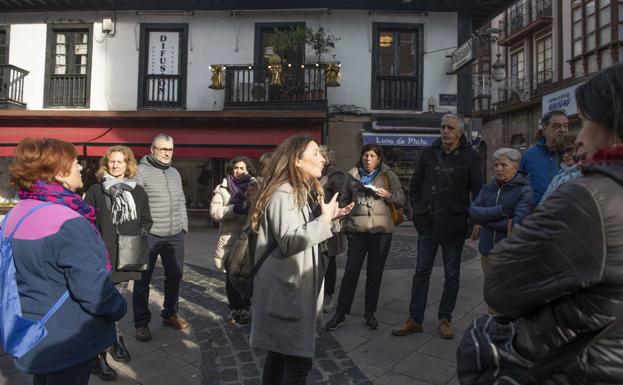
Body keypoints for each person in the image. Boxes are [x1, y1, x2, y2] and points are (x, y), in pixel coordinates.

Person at [484, 63, 623, 383]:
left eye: (584, 122)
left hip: (581, 363)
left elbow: (500, 283)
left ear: (611, 127)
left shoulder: (591, 198)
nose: (578, 139)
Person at [6, 138, 126, 385]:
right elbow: (93, 290)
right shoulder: (68, 221)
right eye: (75, 163)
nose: (81, 167)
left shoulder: (17, 212)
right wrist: (118, 307)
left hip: (31, 329)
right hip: (67, 336)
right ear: (60, 173)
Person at [249, 134, 353, 385]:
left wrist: (331, 220)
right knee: (297, 361)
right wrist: (324, 221)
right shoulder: (285, 192)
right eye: (315, 152)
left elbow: (302, 233)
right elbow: (289, 240)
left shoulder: (299, 190)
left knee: (280, 354)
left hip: (288, 291)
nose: (322, 158)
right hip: (287, 292)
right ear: (297, 159)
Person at [393, 114, 482, 339]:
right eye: (442, 127)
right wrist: (417, 209)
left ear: (460, 132)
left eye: (450, 128)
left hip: (454, 223)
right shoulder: (429, 153)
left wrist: (475, 220)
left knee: (452, 272)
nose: (444, 131)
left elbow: (478, 191)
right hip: (429, 223)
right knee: (421, 271)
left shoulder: (471, 156)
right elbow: (415, 184)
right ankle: (415, 319)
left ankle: (445, 318)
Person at [84, 146, 153, 380]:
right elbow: (87, 221)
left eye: (120, 162)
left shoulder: (138, 192)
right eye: (111, 161)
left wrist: (135, 237)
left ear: (128, 165)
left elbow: (147, 219)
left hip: (127, 259)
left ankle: (114, 340)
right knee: (104, 308)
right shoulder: (95, 190)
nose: (115, 165)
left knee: (114, 306)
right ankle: (100, 354)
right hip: (102, 259)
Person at [325, 144, 406, 331]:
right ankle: (341, 313)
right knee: (351, 272)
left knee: (374, 274)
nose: (368, 159)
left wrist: (388, 195)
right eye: (365, 155)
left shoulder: (388, 175)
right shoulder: (352, 175)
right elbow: (343, 200)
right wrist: (345, 222)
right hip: (357, 231)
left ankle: (370, 312)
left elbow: (401, 199)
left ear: (379, 159)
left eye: (372, 156)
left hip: (381, 233)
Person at [133, 133, 188, 342]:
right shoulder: (140, 172)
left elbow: (181, 200)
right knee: (142, 281)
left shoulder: (175, 173)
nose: (167, 153)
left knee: (175, 276)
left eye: (170, 149)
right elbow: (135, 205)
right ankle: (141, 323)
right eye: (162, 148)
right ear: (152, 149)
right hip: (150, 236)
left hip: (175, 234)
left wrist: (183, 227)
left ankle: (170, 313)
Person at [468, 148, 533, 272]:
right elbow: (473, 211)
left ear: (515, 167)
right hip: (486, 251)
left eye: (503, 165)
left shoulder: (524, 190)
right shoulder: (488, 187)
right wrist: (500, 211)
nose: (498, 168)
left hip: (508, 252)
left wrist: (484, 221)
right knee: (488, 287)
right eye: (496, 165)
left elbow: (515, 224)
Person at [210, 156, 256, 324]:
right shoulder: (222, 188)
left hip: (248, 238)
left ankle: (245, 308)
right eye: (236, 168)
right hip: (229, 239)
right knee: (231, 276)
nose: (239, 171)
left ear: (248, 170)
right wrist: (233, 209)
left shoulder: (255, 186)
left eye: (242, 168)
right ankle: (234, 308)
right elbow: (214, 213)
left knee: (247, 275)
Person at [318, 145, 346, 313]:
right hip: (315, 222)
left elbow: (342, 199)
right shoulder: (317, 174)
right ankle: (318, 293)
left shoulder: (335, 176)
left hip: (329, 225)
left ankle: (329, 295)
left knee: (328, 260)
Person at [520, 110, 569, 205]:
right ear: (545, 128)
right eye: (557, 126)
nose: (562, 130)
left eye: (565, 126)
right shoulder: (529, 155)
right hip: (535, 214)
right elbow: (519, 187)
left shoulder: (575, 155)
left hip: (564, 214)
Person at [539, 135, 582, 204]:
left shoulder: (583, 173)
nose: (566, 155)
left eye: (569, 150)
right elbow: (544, 201)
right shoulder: (557, 178)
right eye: (563, 152)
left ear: (578, 150)